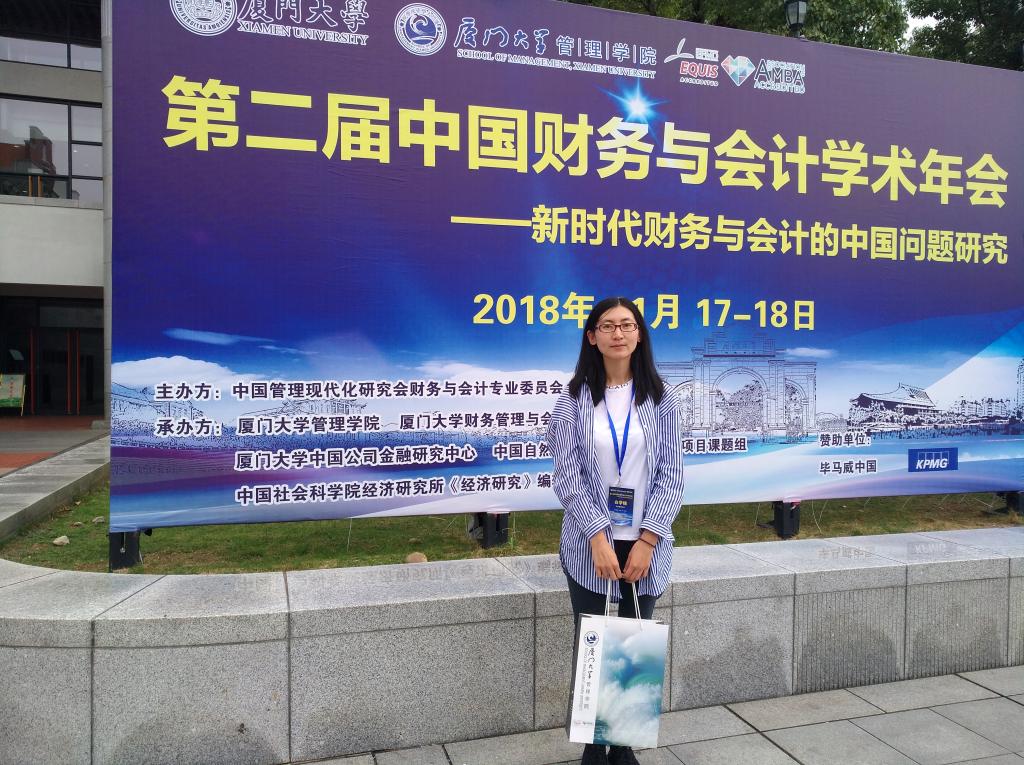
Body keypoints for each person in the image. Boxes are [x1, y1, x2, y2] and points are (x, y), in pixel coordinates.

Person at [546, 297, 685, 765]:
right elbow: (567, 476)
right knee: (592, 642)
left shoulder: (662, 400)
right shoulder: (571, 401)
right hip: (590, 545)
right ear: (592, 337)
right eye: (607, 326)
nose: (618, 333)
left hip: (645, 544)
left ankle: (622, 744)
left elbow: (671, 474)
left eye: (627, 325)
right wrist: (597, 537)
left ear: (639, 335)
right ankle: (593, 744)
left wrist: (648, 539)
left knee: (632, 645)